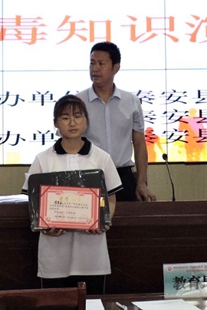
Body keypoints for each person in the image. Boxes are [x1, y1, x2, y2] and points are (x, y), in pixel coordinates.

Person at [22, 95, 121, 295]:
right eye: (65, 117)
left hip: (92, 253)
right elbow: (34, 202)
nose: (72, 122)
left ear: (86, 120)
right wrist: (44, 225)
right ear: (56, 123)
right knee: (55, 304)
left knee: (92, 305)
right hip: (54, 253)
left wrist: (103, 221)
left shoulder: (101, 158)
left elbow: (110, 199)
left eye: (77, 116)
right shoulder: (43, 159)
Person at [78, 42, 155, 202]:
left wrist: (141, 182)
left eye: (101, 64)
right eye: (92, 63)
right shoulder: (78, 101)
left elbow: (139, 143)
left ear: (116, 68)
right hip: (88, 175)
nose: (95, 69)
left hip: (123, 176)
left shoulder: (131, 101)